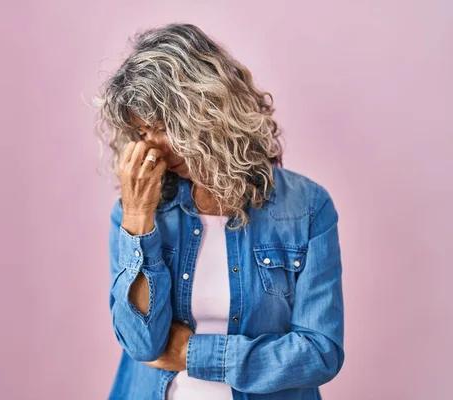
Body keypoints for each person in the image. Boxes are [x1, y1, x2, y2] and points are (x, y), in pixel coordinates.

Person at [93, 23, 345, 400]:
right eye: (144, 132)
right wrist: (138, 219)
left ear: (210, 113)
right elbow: (141, 345)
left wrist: (190, 353)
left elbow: (320, 353)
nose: (153, 147)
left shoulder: (305, 208)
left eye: (164, 126)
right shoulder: (136, 214)